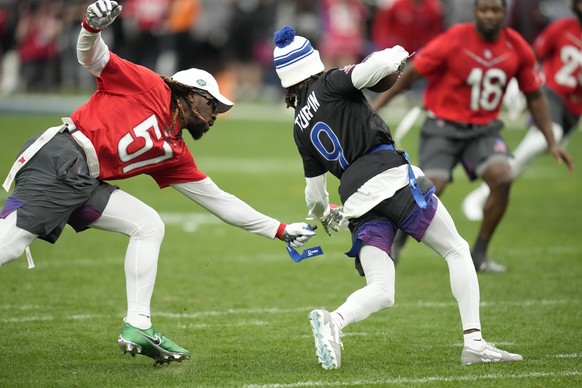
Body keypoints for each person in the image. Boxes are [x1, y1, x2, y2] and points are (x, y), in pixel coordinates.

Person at [0, 0, 315, 365]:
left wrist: (278, 230)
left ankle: (138, 323)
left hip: (82, 179)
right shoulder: (150, 85)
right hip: (60, 159)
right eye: (213, 107)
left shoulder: (175, 150)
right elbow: (93, 58)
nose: (215, 117)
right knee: (9, 244)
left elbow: (220, 202)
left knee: (148, 225)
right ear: (191, 95)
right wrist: (90, 26)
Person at [272, 24, 523, 370]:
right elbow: (372, 69)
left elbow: (314, 196)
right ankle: (474, 342)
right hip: (390, 179)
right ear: (311, 61)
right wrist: (399, 54)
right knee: (456, 249)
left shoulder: (299, 128)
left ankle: (335, 320)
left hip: (357, 201)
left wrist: (327, 214)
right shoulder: (330, 81)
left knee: (383, 289)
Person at [372, 0, 573, 273]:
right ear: (476, 12)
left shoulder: (516, 46)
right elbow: (411, 75)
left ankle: (479, 253)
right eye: (484, 10)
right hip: (443, 126)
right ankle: (397, 243)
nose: (490, 15)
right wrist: (375, 109)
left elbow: (535, 95)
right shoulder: (454, 39)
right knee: (432, 186)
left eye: (496, 10)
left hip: (484, 129)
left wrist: (551, 140)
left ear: (504, 13)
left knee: (502, 178)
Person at [462, 0, 581, 221]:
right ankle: (481, 195)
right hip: (552, 95)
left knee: (528, 158)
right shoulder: (562, 28)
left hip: (575, 110)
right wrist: (517, 84)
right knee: (547, 138)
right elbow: (531, 55)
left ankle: (487, 192)